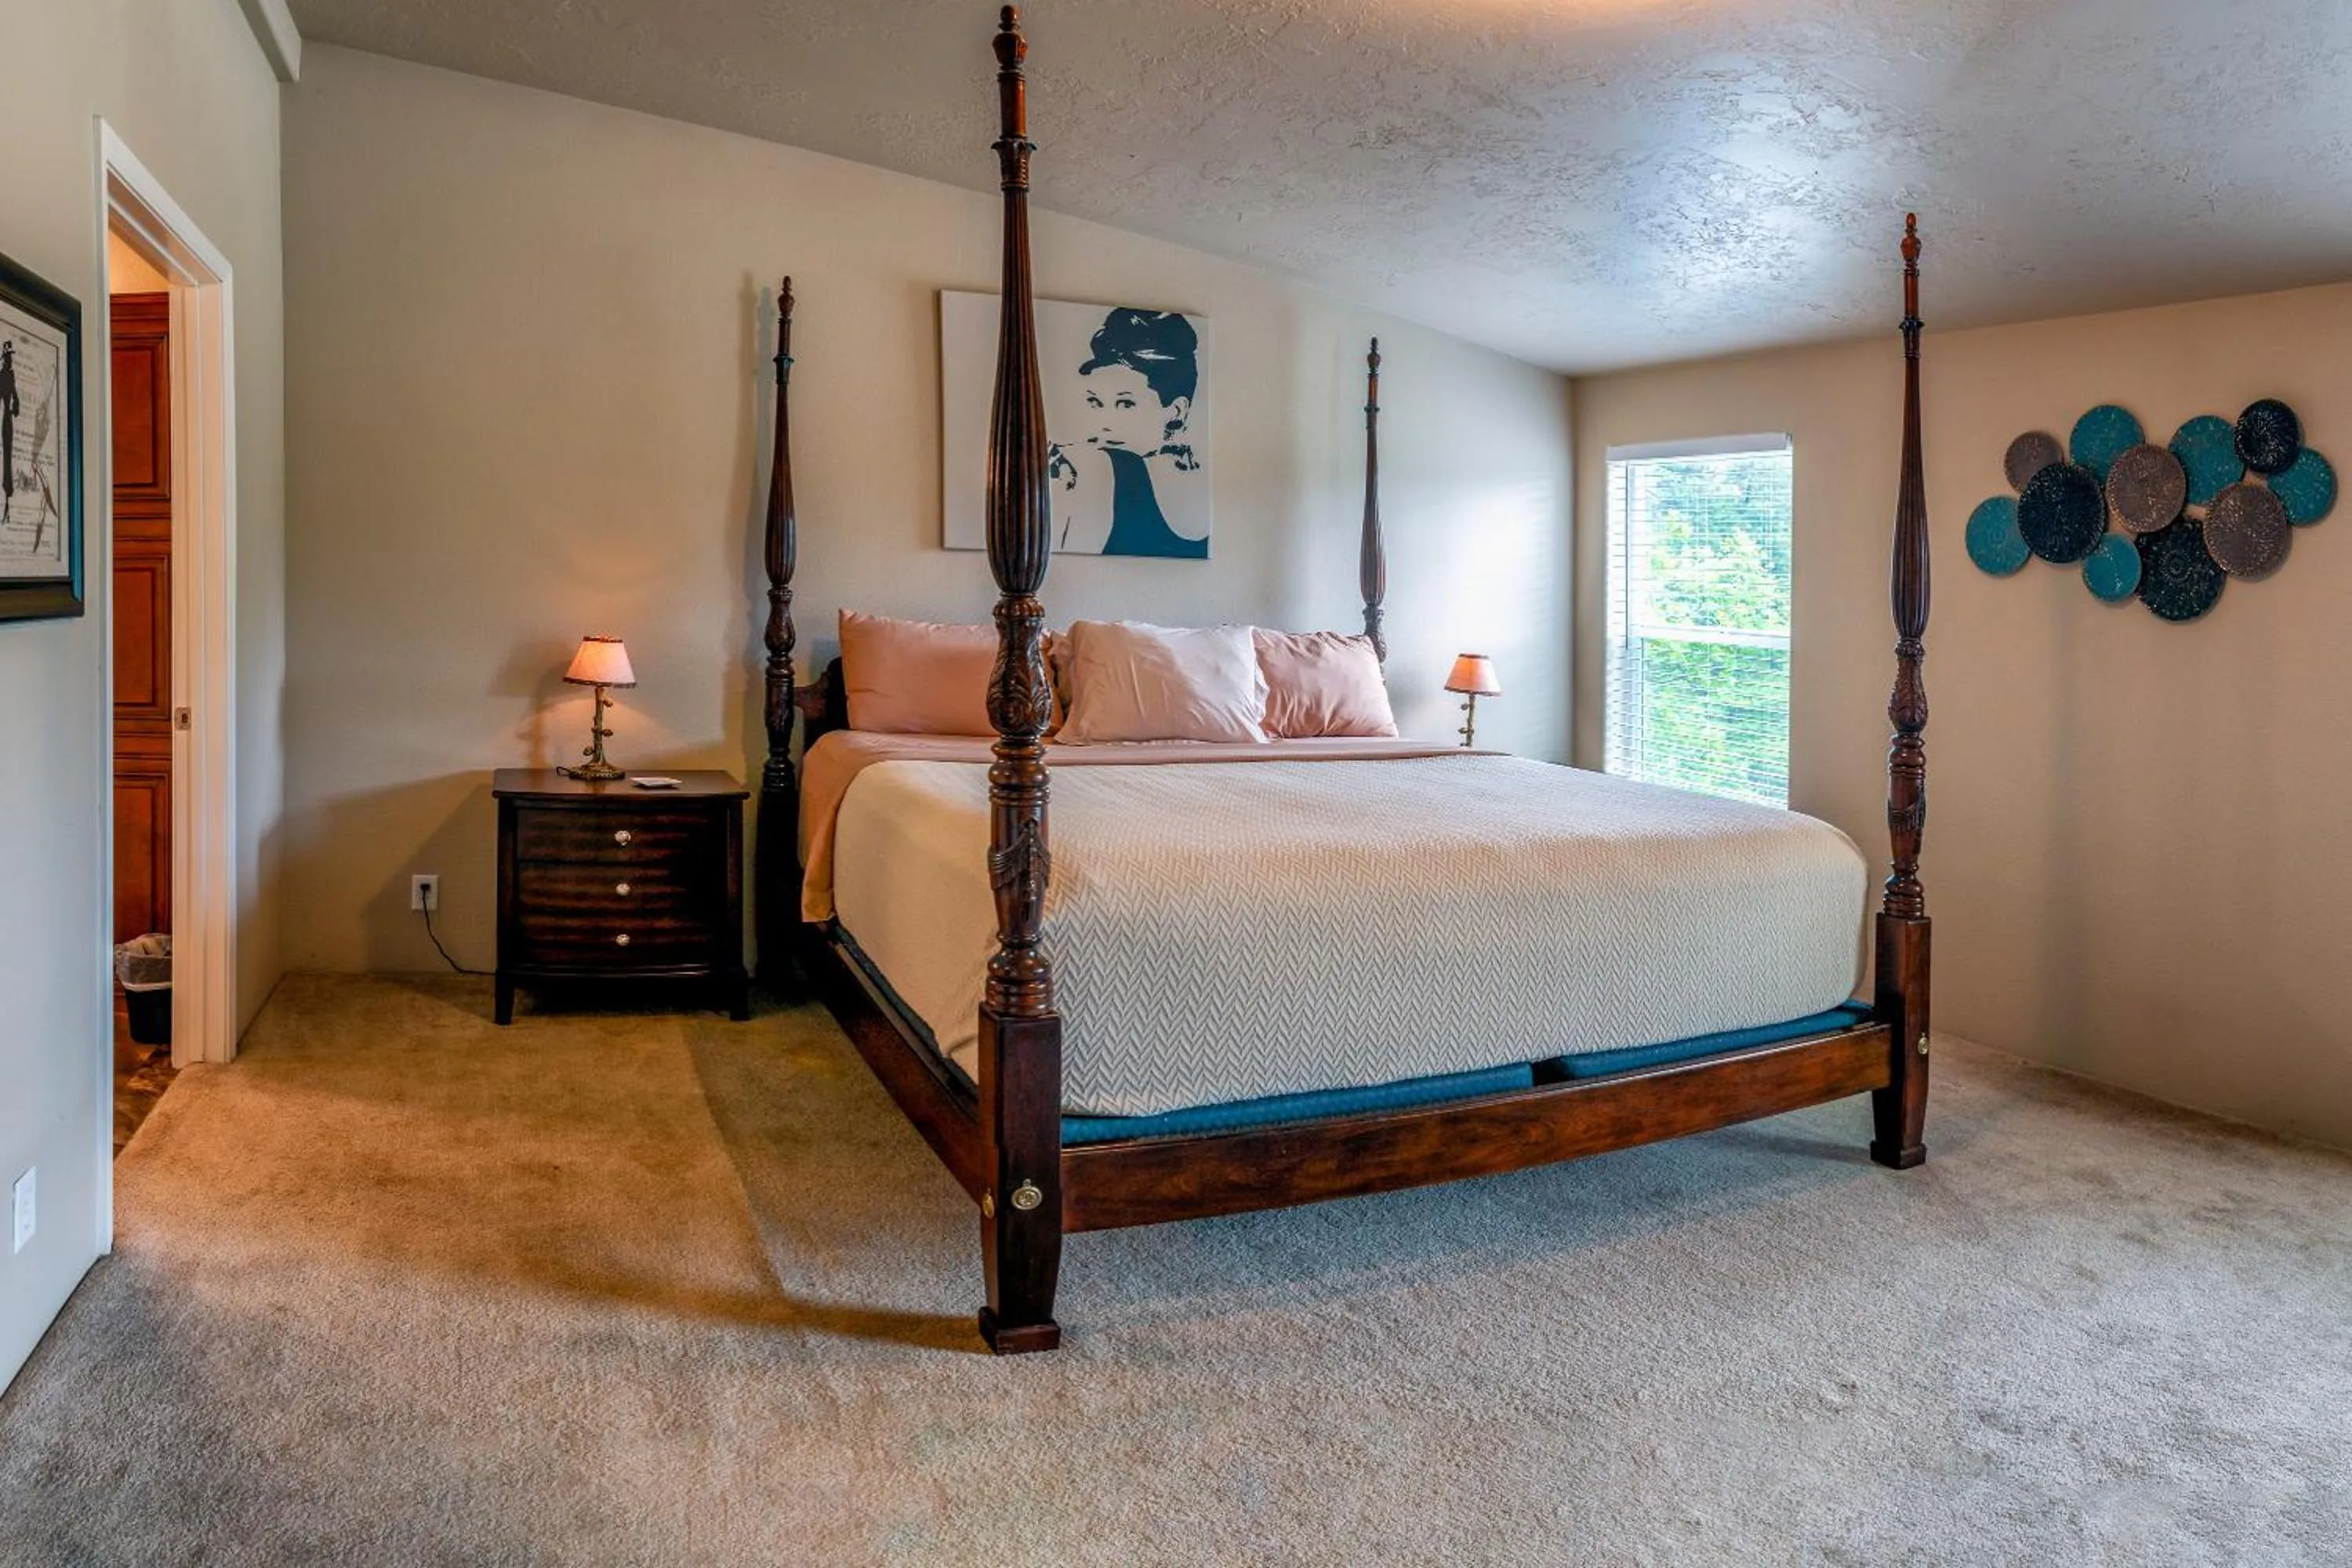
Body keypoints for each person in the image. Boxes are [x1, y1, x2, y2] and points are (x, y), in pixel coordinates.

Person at [1048, 309, 1207, 558]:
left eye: (1126, 404)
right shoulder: (1087, 464)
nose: (1104, 423)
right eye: (1095, 403)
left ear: (1176, 411)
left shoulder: (1098, 466)